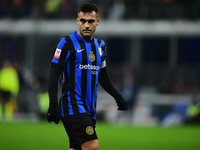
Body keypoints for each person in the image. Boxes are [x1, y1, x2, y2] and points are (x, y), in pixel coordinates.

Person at [47, 3, 128, 150]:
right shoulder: (66, 43)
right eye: (83, 21)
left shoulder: (100, 45)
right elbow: (53, 74)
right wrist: (53, 105)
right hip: (72, 105)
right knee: (92, 145)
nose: (86, 25)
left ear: (97, 22)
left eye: (90, 21)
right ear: (77, 21)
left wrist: (118, 97)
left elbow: (103, 75)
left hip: (90, 107)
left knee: (77, 148)